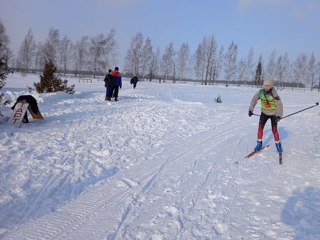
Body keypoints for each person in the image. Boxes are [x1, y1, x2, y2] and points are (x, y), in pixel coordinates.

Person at [248, 78, 283, 153]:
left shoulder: (274, 94)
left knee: (274, 130)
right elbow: (254, 100)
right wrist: (251, 110)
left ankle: (278, 145)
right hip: (264, 113)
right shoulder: (260, 92)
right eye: (265, 85)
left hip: (274, 114)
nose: (266, 87)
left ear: (271, 86)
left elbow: (279, 104)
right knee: (260, 128)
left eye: (268, 86)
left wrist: (279, 116)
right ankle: (259, 144)